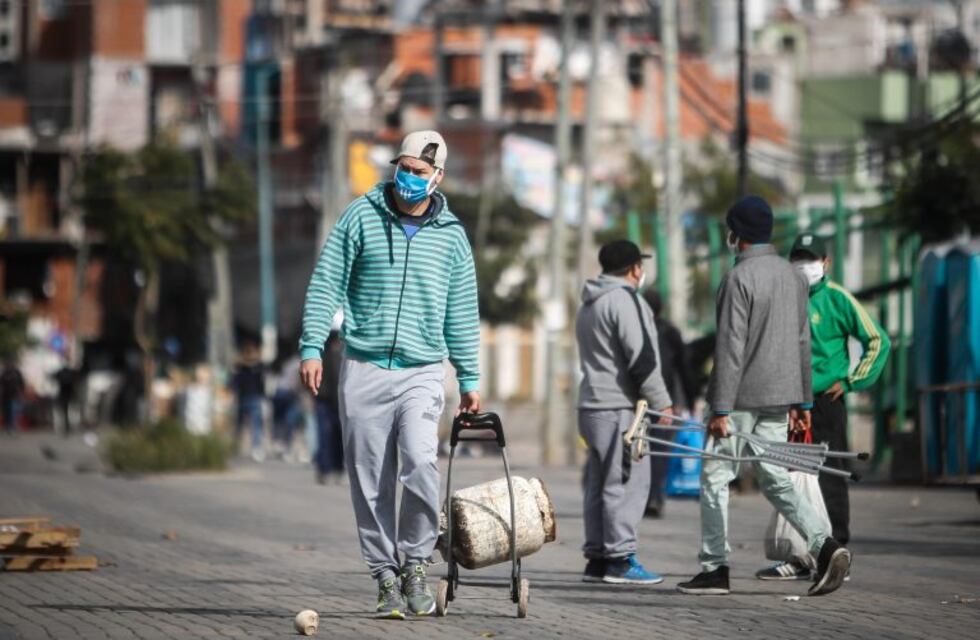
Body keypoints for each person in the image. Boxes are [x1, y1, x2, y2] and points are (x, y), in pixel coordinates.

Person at [298, 130, 481, 619]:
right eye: (403, 167)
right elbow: (327, 281)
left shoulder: (453, 237)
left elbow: (461, 311)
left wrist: (469, 377)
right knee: (370, 481)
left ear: (437, 177)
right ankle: (384, 575)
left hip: (422, 369)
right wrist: (312, 346)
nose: (408, 178)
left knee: (422, 464)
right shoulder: (362, 215)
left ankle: (416, 563)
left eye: (419, 172)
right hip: (364, 367)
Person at [677, 195, 851, 597]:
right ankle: (825, 545)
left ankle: (714, 567)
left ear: (735, 234)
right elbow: (803, 342)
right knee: (776, 479)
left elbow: (730, 347)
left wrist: (719, 407)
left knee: (716, 479)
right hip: (783, 397)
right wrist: (804, 403)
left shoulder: (738, 278)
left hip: (738, 400)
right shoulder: (793, 277)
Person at [756, 233, 890, 581]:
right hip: (789, 403)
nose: (805, 265)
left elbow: (878, 340)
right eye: (798, 258)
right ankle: (803, 556)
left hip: (825, 404)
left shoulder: (837, 299)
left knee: (829, 477)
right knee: (793, 479)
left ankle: (837, 552)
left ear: (826, 263)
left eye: (811, 259)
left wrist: (850, 381)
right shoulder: (782, 299)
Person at [575, 239, 673, 585]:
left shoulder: (589, 302)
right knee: (627, 482)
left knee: (600, 483)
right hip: (619, 408)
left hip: (590, 405)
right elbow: (642, 357)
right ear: (635, 269)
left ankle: (598, 558)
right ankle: (620, 558)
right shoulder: (626, 300)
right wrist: (662, 401)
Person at [641, 288, 699, 518]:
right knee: (659, 449)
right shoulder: (670, 331)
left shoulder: (637, 330)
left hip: (637, 400)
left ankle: (644, 496)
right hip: (664, 401)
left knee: (638, 451)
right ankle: (655, 496)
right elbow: (685, 368)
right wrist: (691, 397)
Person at [314, 331, 345, 484]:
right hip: (328, 400)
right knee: (327, 436)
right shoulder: (331, 353)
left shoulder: (333, 353)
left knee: (334, 437)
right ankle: (327, 469)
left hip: (332, 400)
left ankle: (334, 469)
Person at [232, 344, 266, 462]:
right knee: (242, 424)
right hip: (245, 398)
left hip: (253, 398)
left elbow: (261, 383)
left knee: (254, 425)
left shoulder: (257, 367)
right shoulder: (241, 367)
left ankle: (254, 448)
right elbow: (235, 383)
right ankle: (237, 447)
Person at [1, 358, 25, 434]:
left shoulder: (17, 373)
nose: (9, 365)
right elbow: (1, 384)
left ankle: (13, 426)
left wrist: (21, 392)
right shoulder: (4, 373)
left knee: (15, 411)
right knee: (8, 412)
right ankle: (10, 427)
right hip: (6, 396)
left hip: (15, 395)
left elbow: (22, 383)